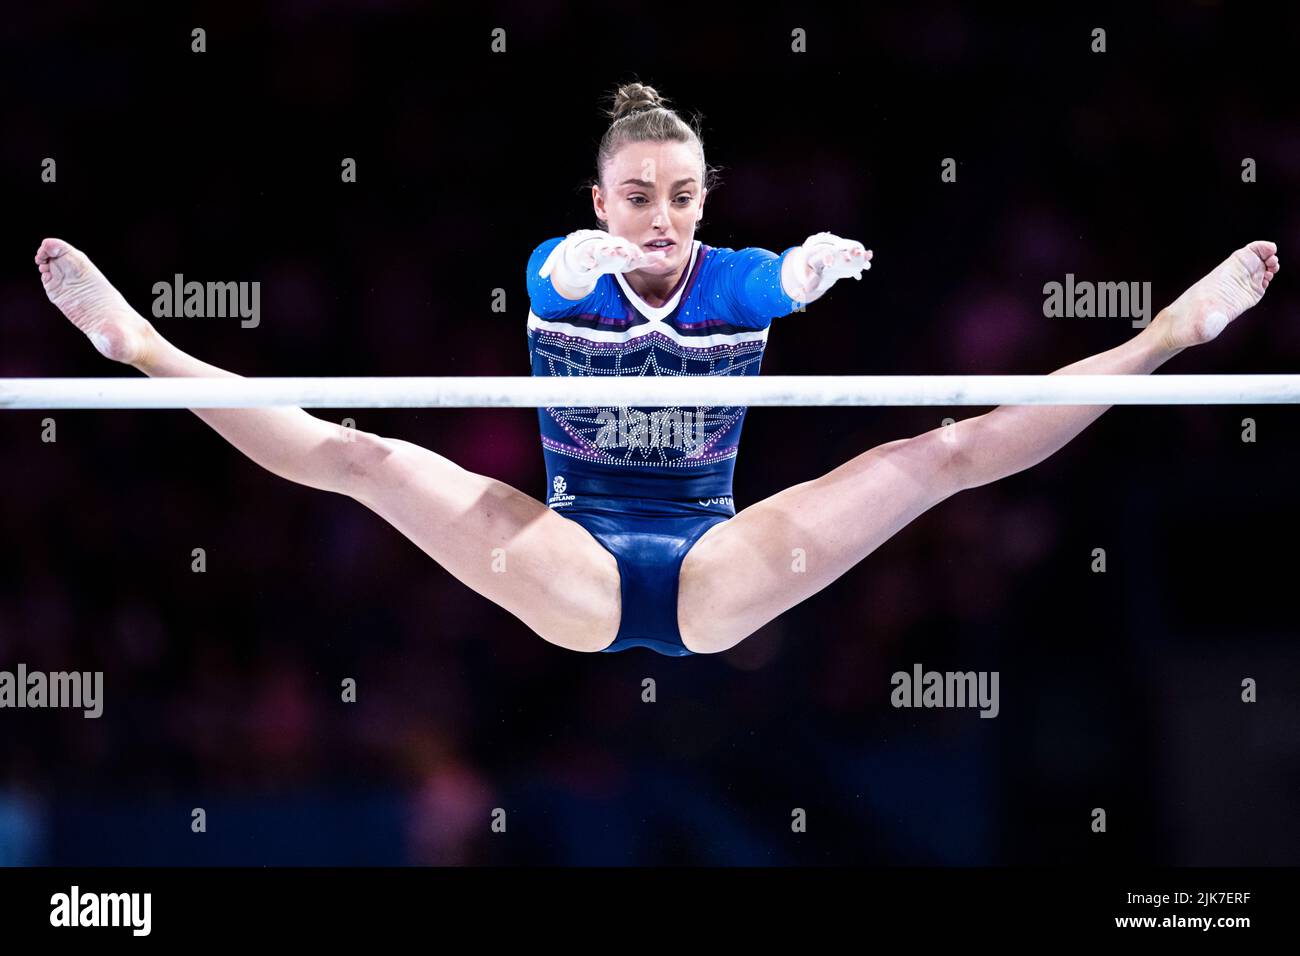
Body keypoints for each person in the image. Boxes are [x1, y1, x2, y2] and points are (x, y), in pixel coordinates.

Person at [34, 81, 1280, 658]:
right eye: (637, 195)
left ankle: (1165, 336)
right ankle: (142, 345)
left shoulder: (728, 271)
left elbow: (756, 285)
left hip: (713, 565)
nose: (662, 215)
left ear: (705, 200)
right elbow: (558, 284)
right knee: (364, 457)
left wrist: (800, 274)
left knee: (939, 454)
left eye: (682, 195)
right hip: (571, 561)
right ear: (598, 195)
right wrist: (585, 257)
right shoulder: (557, 262)